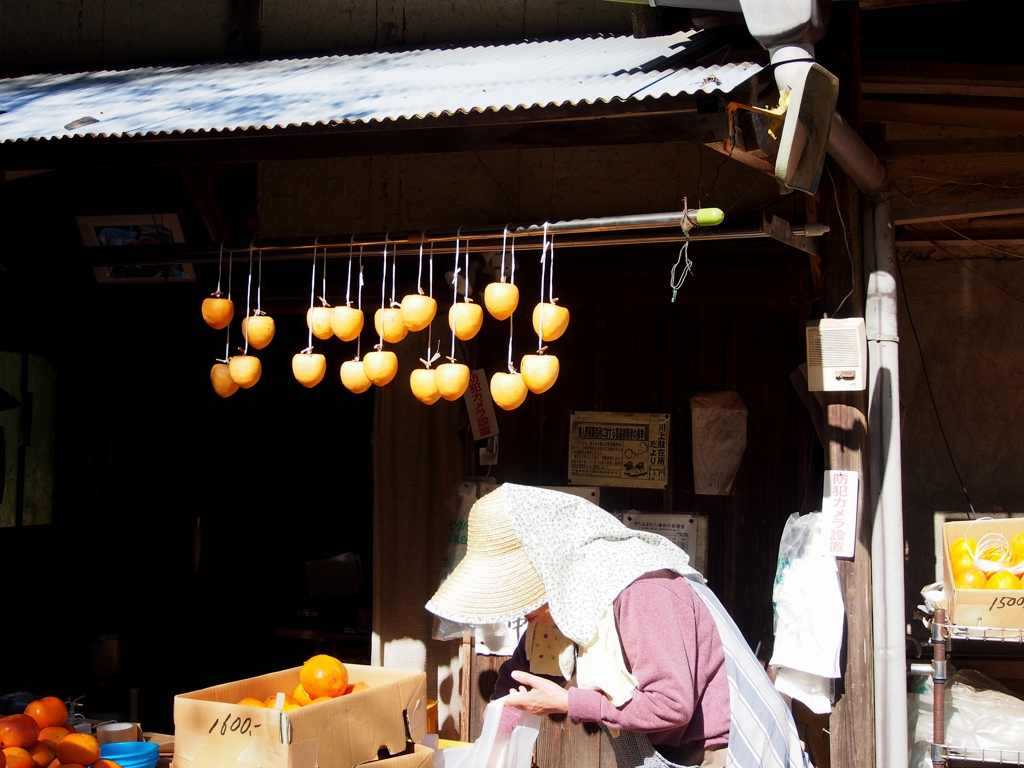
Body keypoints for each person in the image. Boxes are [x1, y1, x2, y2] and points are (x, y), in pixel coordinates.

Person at [426, 484, 809, 768]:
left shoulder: (644, 588)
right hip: (661, 747)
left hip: (718, 749)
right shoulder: (566, 597)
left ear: (549, 570)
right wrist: (494, 749)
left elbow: (671, 705)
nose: (523, 614)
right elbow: (517, 683)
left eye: (523, 597)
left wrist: (568, 702)